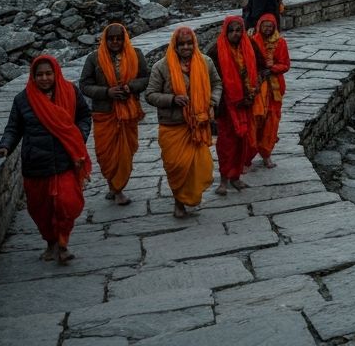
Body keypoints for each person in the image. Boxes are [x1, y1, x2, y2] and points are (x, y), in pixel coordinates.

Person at [0, 55, 92, 264]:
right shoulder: (23, 100)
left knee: (67, 203)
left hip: (65, 160)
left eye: (48, 73)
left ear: (56, 73)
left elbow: (84, 116)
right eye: (40, 75)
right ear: (33, 76)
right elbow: (13, 128)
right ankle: (51, 242)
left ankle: (63, 244)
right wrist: (4, 146)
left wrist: (78, 136)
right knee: (41, 210)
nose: (44, 78)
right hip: (36, 164)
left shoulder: (70, 92)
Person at [145, 26, 222, 218]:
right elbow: (150, 94)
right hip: (173, 126)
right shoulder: (161, 67)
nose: (186, 47)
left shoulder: (206, 62)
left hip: (198, 124)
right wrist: (172, 99)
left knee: (200, 167)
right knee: (177, 167)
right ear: (175, 45)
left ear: (194, 43)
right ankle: (178, 203)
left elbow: (217, 84)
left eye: (189, 43)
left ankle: (190, 196)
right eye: (182, 44)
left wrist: (212, 101)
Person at [79, 22, 149, 205]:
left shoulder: (136, 54)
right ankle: (114, 185)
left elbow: (146, 78)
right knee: (106, 154)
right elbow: (84, 85)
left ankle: (117, 189)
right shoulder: (94, 58)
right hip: (104, 113)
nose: (115, 42)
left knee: (125, 152)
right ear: (105, 39)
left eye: (119, 38)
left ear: (125, 39)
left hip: (128, 112)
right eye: (111, 39)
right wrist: (106, 92)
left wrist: (130, 87)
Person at [212, 15, 258, 194]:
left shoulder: (249, 46)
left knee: (242, 142)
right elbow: (211, 79)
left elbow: (260, 67)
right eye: (231, 31)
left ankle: (236, 177)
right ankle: (224, 179)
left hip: (245, 104)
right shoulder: (215, 50)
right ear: (225, 31)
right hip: (226, 105)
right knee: (226, 144)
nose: (235, 34)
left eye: (238, 30)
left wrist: (252, 89)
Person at [250, 15, 291, 168]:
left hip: (275, 91)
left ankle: (266, 154)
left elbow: (285, 65)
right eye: (265, 26)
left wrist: (272, 68)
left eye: (270, 26)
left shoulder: (280, 42)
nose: (267, 29)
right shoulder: (252, 41)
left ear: (274, 27)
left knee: (271, 122)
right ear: (259, 26)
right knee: (256, 120)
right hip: (258, 87)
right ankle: (249, 155)